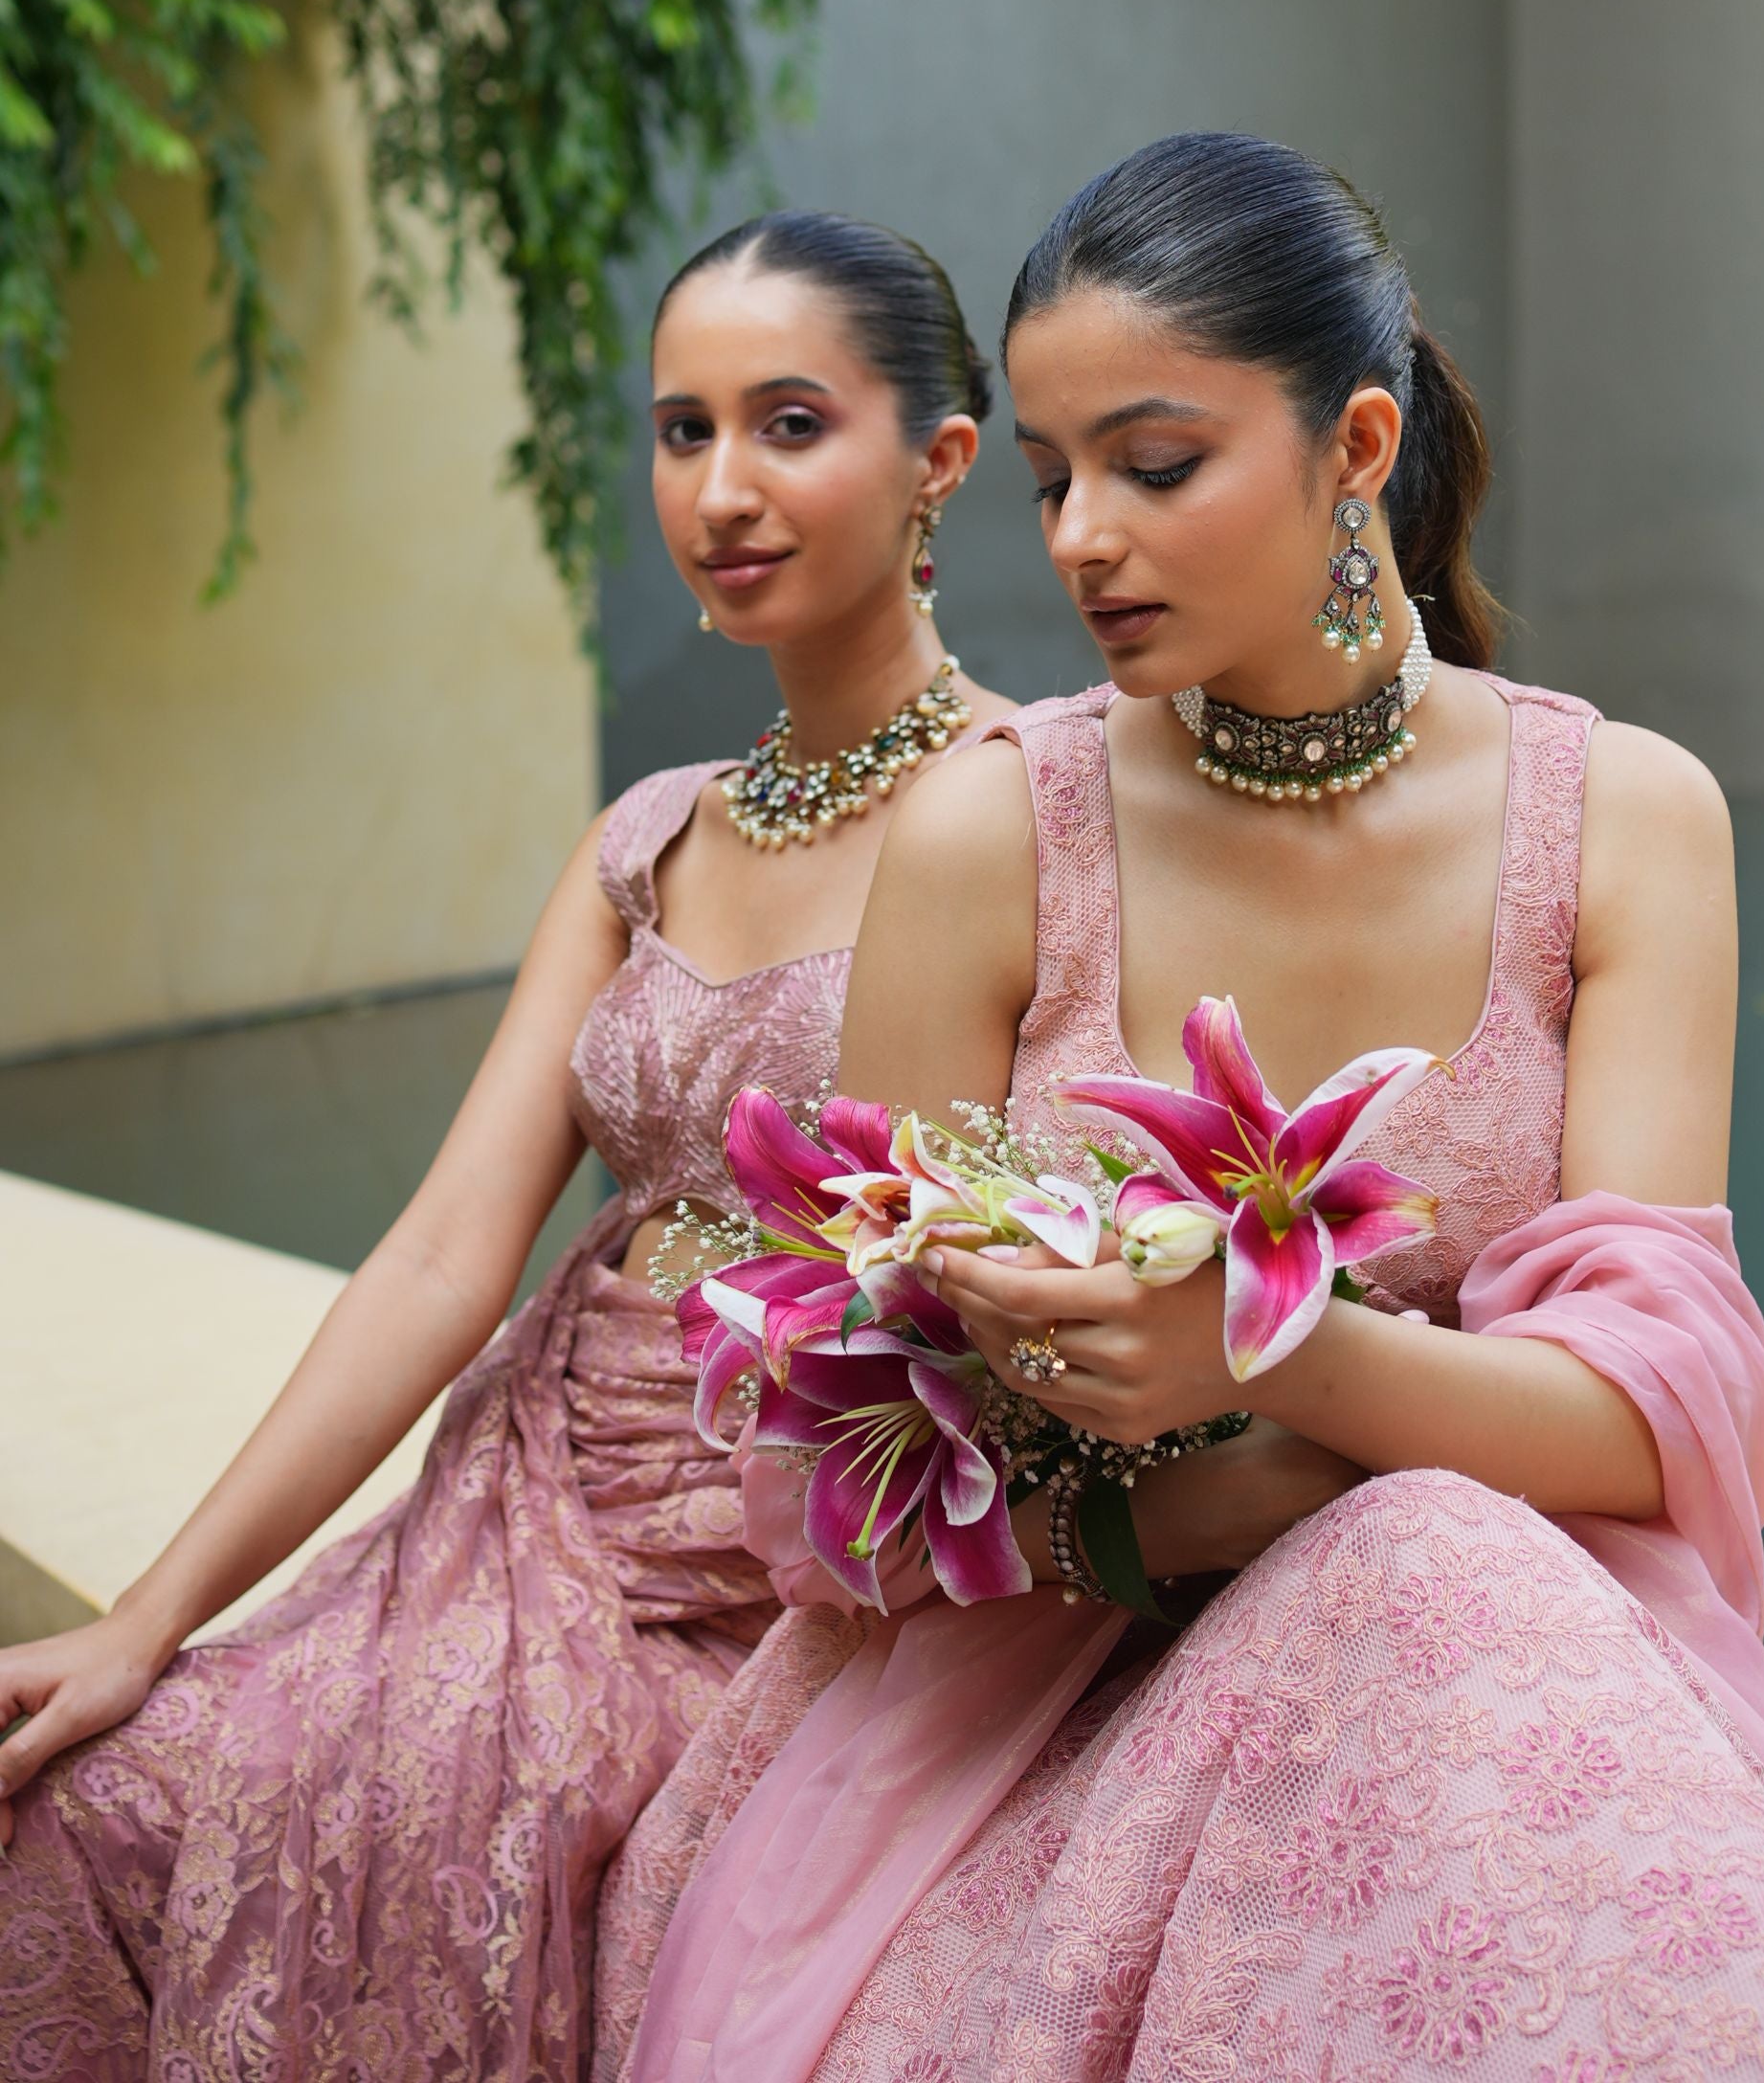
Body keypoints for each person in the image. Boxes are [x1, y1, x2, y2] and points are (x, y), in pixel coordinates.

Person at [602, 136, 1764, 2083]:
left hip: (1511, 1681)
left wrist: (1254, 1359)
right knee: (1428, 1554)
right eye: (1049, 478)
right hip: (1050, 1730)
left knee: (1432, 1576)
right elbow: (829, 1476)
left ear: (1356, 447)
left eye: (1155, 465)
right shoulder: (995, 829)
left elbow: (1660, 1422)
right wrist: (1237, 1494)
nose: (1079, 541)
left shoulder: (1622, 823)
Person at [0, 211, 1014, 2083]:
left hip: (798, 1543)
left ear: (939, 460)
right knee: (92, 1798)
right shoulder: (647, 832)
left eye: (789, 424)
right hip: (535, 1497)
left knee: (492, 1807)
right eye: (680, 430)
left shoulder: (1047, 813)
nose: (719, 489)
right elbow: (441, 1256)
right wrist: (148, 1617)